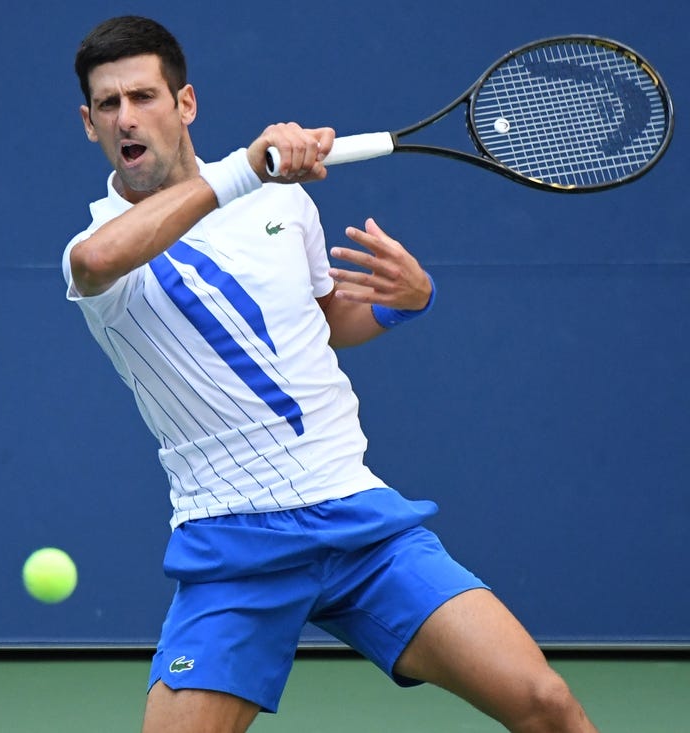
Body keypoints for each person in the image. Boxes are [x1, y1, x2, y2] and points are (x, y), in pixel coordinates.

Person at [62, 15, 599, 733]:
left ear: (185, 104)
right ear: (89, 123)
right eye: (108, 105)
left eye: (144, 96)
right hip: (234, 546)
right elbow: (99, 264)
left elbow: (327, 321)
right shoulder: (100, 242)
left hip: (358, 520)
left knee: (546, 702)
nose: (127, 117)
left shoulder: (283, 201)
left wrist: (400, 306)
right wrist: (244, 170)